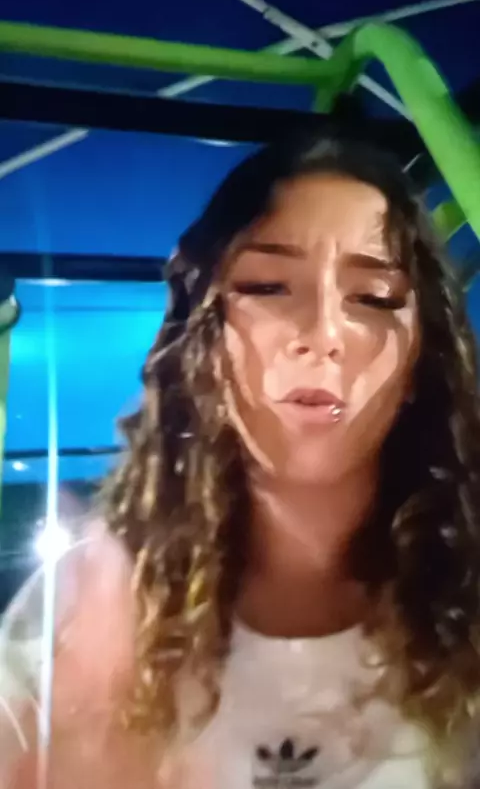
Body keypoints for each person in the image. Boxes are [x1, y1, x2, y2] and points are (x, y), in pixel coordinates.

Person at [2, 128, 480, 789]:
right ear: (205, 334)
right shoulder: (75, 614)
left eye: (374, 297)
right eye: (268, 286)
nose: (323, 333)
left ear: (422, 353)